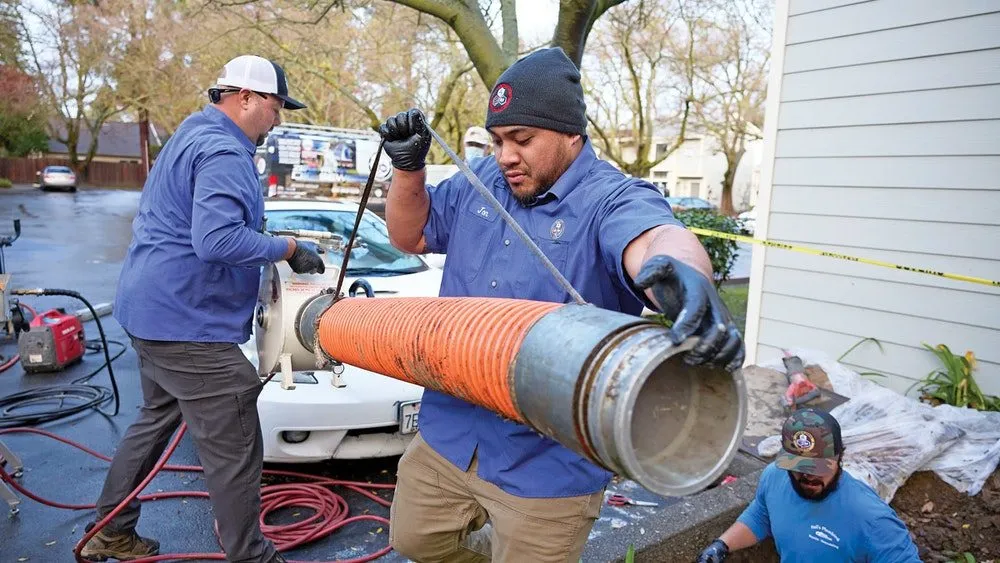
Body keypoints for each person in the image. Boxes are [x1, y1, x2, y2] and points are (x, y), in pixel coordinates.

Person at [378, 47, 744, 563]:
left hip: (547, 468)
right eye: (498, 140)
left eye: (522, 139)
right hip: (449, 433)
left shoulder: (611, 197)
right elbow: (408, 235)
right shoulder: (480, 181)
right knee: (414, 540)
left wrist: (685, 276)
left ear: (571, 134)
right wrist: (408, 170)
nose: (505, 155)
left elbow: (657, 238)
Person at [80, 55, 324, 563]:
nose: (277, 119)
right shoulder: (225, 151)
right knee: (236, 436)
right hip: (186, 323)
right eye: (276, 106)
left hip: (150, 312)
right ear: (246, 98)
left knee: (156, 418)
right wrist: (287, 248)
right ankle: (251, 555)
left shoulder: (192, 133)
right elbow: (216, 240)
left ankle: (111, 530)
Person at [697, 408, 920, 563]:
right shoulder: (775, 477)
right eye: (799, 467)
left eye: (819, 467)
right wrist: (722, 545)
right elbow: (761, 515)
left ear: (840, 457)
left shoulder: (872, 519)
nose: (808, 477)